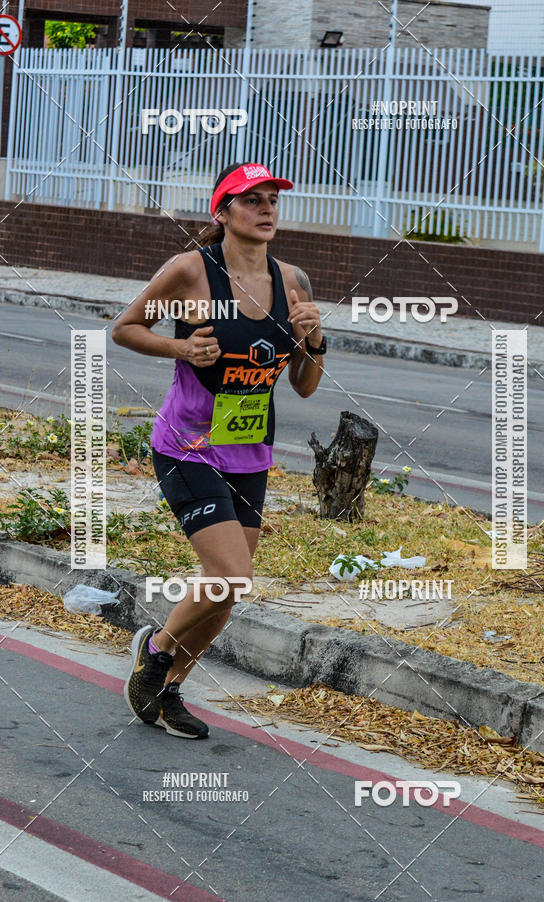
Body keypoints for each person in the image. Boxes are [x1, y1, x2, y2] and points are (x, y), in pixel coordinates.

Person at [112, 161, 327, 739]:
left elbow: (305, 384)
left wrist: (315, 339)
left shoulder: (292, 282)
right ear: (223, 211)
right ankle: (154, 654)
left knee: (227, 591)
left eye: (272, 200)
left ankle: (172, 687)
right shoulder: (190, 272)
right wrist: (179, 351)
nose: (266, 210)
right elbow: (126, 327)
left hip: (248, 448)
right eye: (251, 200)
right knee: (229, 575)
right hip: (188, 446)